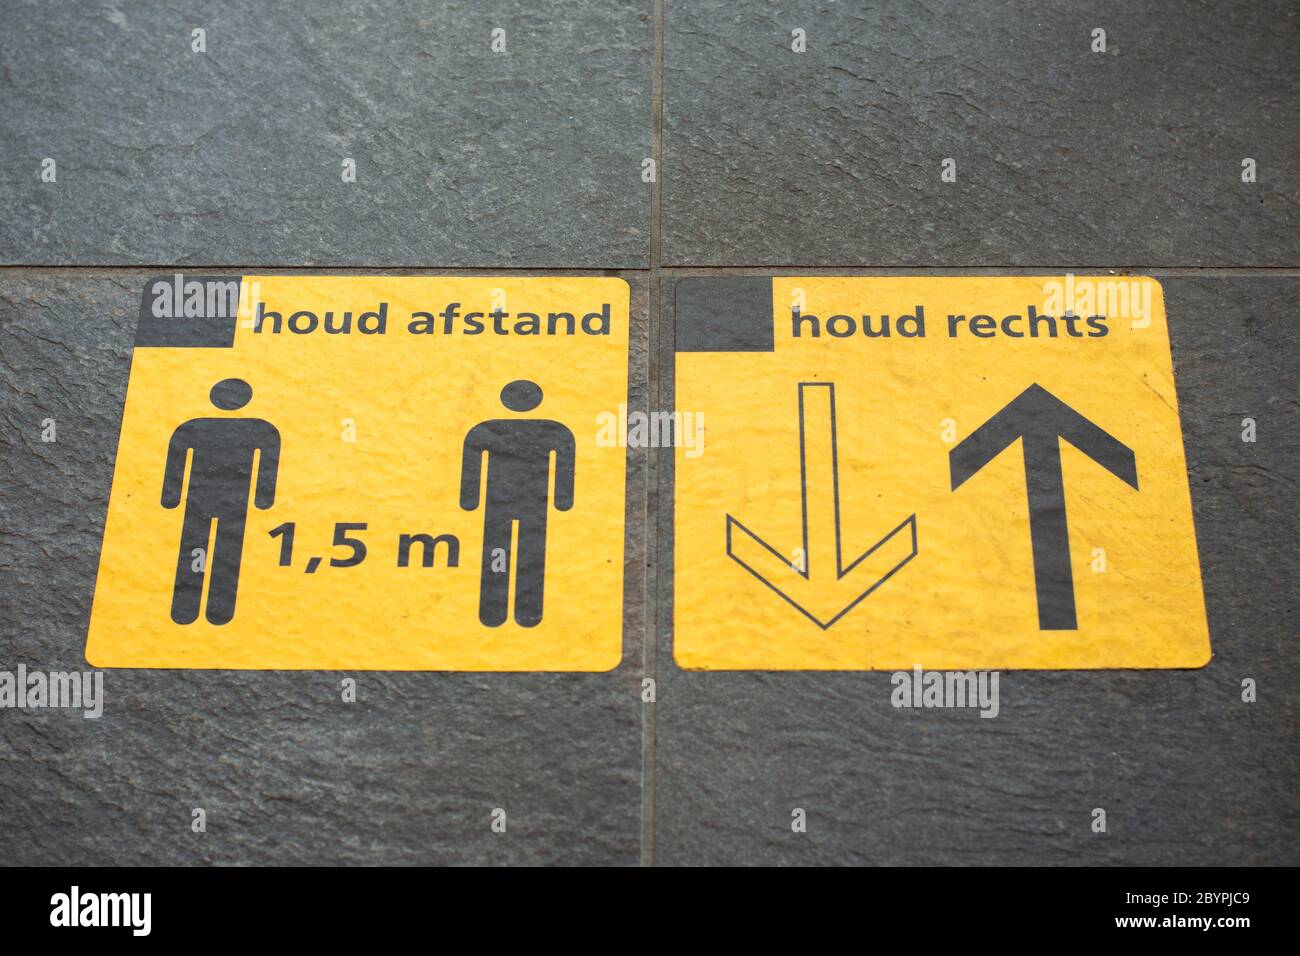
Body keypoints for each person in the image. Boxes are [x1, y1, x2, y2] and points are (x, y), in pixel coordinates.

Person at [161, 378, 280, 625]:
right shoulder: (260, 428)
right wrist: (263, 499)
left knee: (198, 549)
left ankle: (190, 607)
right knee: (224, 551)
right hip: (230, 500)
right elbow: (268, 464)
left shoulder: (193, 427)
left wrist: (171, 497)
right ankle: (212, 609)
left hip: (204, 498)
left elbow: (176, 464)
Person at [460, 380, 575, 627]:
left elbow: (471, 467)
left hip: (506, 503)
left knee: (500, 551)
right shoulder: (555, 430)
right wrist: (562, 500)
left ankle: (498, 610)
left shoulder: (485, 429)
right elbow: (565, 467)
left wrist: (469, 500)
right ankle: (521, 611)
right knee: (525, 553)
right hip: (527, 502)